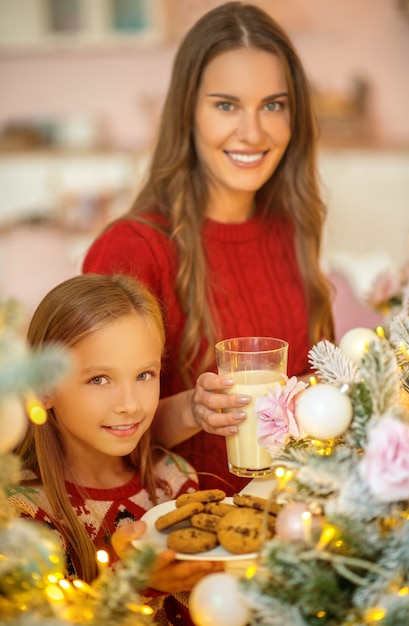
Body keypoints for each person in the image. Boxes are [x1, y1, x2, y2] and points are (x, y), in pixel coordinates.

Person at [82, 2, 335, 495]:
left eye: (273, 105)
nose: (254, 132)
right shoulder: (133, 248)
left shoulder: (292, 229)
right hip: (183, 537)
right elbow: (81, 431)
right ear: (188, 113)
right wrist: (190, 410)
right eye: (226, 105)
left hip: (297, 528)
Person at [9, 274, 222, 623]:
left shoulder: (174, 482)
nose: (130, 404)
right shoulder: (20, 514)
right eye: (99, 379)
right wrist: (134, 584)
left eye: (144, 375)